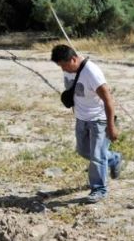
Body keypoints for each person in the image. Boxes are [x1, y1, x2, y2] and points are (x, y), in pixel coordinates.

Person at [51, 45, 123, 204]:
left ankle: (99, 189)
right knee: (84, 151)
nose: (63, 69)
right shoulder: (68, 67)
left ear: (73, 59)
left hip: (99, 120)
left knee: (97, 156)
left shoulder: (92, 72)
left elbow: (108, 100)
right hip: (81, 118)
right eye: (60, 66)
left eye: (65, 65)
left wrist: (111, 126)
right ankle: (114, 158)